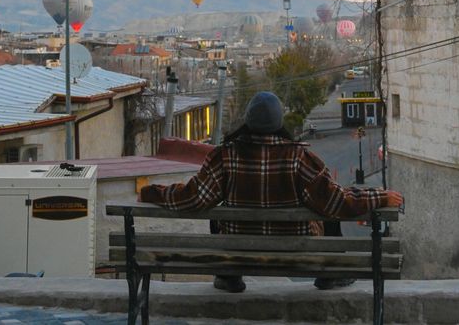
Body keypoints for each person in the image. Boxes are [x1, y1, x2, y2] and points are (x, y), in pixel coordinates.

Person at [141, 91, 403, 294]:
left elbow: (193, 197)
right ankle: (329, 273)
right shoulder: (299, 157)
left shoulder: (225, 156)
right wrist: (379, 197)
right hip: (298, 250)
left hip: (238, 250)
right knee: (326, 206)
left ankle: (228, 275)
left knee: (213, 208)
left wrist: (153, 192)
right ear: (279, 121)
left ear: (248, 119)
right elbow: (337, 201)